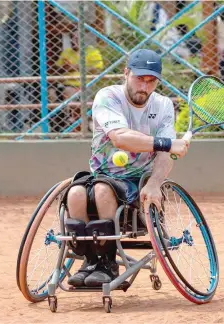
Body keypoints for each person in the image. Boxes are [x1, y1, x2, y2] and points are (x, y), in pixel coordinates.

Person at [63, 49, 189, 287]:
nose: (144, 86)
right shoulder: (107, 96)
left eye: (151, 81)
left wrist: (154, 184)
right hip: (101, 173)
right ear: (126, 73)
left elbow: (164, 156)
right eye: (139, 78)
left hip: (136, 181)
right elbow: (120, 138)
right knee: (75, 193)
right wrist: (169, 143)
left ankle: (108, 263)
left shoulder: (163, 106)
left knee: (102, 191)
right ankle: (89, 262)